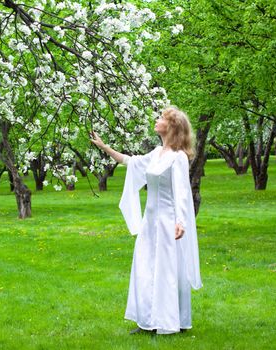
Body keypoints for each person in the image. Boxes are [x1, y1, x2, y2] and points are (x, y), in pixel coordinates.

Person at [90, 106, 202, 335]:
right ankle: (148, 320)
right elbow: (130, 162)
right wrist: (104, 147)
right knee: (145, 267)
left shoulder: (178, 157)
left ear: (171, 126)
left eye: (161, 118)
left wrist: (181, 221)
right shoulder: (156, 152)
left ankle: (168, 322)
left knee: (165, 271)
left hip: (167, 221)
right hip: (150, 222)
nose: (157, 120)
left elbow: (182, 191)